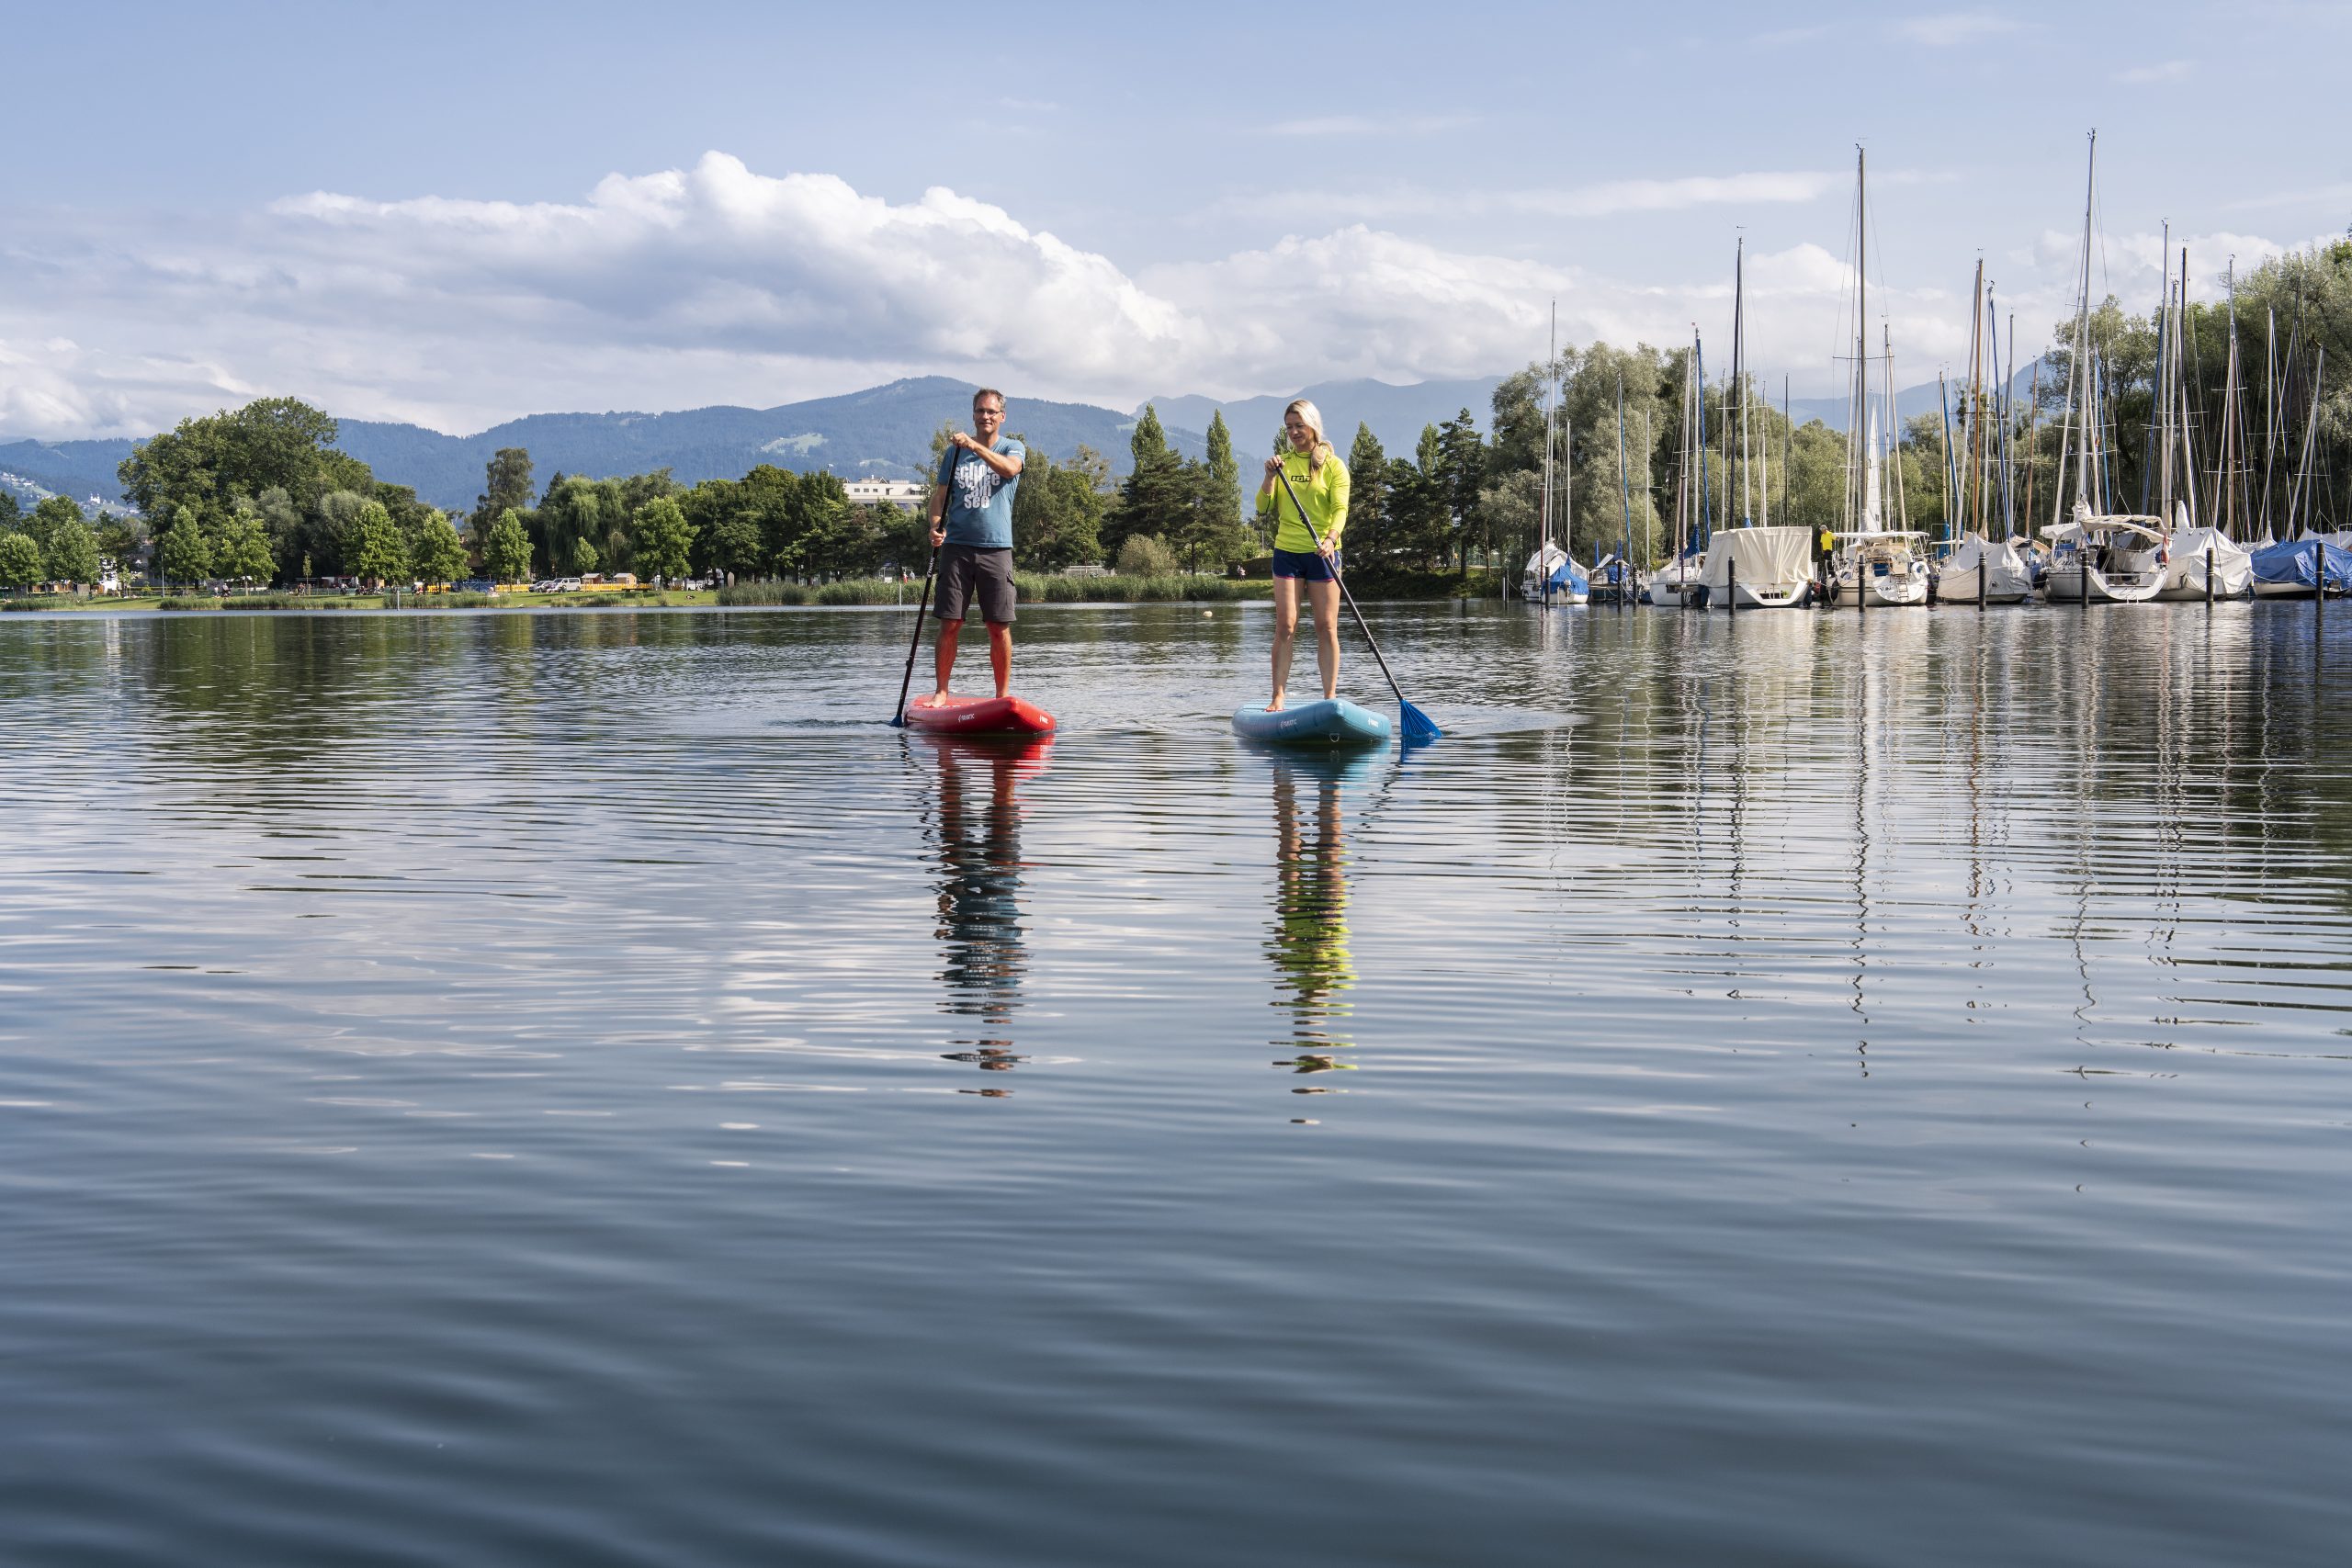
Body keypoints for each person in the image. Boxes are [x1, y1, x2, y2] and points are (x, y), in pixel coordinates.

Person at [922, 389, 1024, 706]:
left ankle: (1002, 696)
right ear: (974, 414)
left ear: (1001, 416)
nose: (986, 417)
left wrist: (975, 446)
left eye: (992, 412)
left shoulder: (1013, 447)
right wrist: (935, 526)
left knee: (998, 626)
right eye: (980, 411)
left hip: (997, 549)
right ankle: (942, 692)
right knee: (950, 623)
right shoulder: (953, 454)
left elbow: (1009, 470)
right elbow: (939, 497)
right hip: (957, 549)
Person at [1256, 399, 1350, 711]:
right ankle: (1278, 697)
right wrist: (1269, 477)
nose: (1294, 432)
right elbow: (1263, 507)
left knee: (1326, 626)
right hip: (1288, 553)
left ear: (1313, 426)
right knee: (1287, 625)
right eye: (1289, 427)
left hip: (1323, 554)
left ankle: (1329, 698)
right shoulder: (1282, 466)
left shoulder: (1334, 466)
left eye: (1299, 425)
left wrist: (1331, 539)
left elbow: (1340, 509)